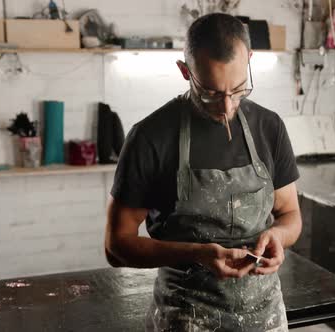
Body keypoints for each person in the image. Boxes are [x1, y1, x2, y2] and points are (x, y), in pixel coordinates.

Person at [105, 13, 302, 331]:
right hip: (187, 318)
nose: (226, 108)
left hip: (264, 319)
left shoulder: (270, 128)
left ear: (249, 60)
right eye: (210, 93)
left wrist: (278, 236)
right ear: (185, 72)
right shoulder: (151, 137)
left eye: (239, 90)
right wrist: (196, 254)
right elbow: (117, 245)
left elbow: (290, 214)